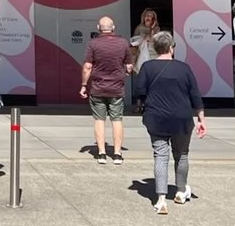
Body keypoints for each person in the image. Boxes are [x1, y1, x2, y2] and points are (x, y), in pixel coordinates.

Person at [133, 30, 207, 215]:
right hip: (182, 119)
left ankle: (160, 200)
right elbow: (195, 95)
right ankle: (181, 191)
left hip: (156, 118)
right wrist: (201, 118)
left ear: (155, 48)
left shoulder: (148, 67)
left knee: (160, 156)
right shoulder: (184, 68)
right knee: (182, 154)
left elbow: (139, 91)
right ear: (172, 48)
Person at [79, 16, 133, 163]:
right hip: (116, 88)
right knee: (117, 120)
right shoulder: (123, 43)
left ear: (98, 28)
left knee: (99, 120)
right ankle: (117, 154)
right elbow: (129, 66)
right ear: (113, 28)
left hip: (98, 88)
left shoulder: (93, 43)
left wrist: (84, 85)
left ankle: (102, 153)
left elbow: (87, 66)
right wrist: (126, 72)